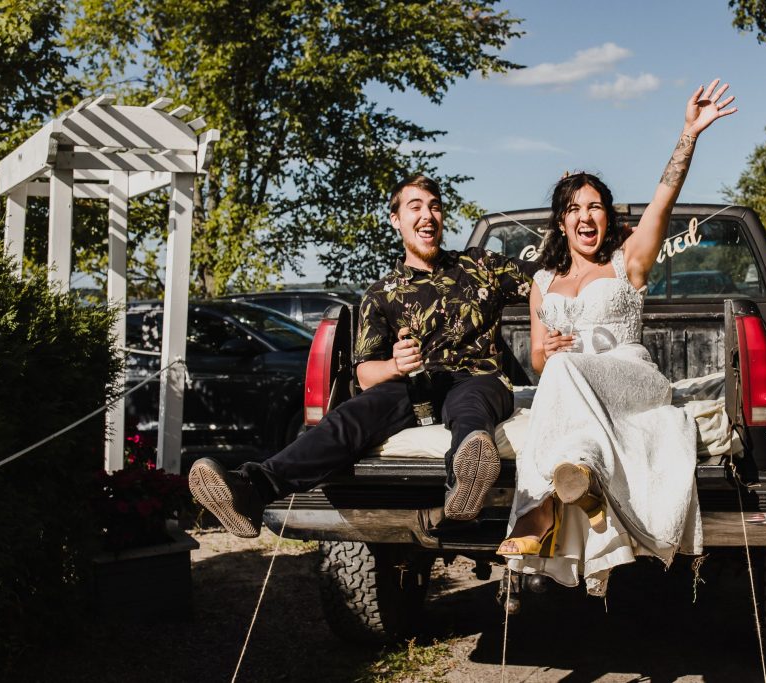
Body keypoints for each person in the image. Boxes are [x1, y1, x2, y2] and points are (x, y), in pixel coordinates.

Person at [189, 174, 535, 537]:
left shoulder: (480, 266)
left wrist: (570, 215)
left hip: (477, 377)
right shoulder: (381, 294)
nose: (427, 215)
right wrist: (394, 364)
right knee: (349, 417)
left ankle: (466, 479)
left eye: (434, 207)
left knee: (471, 409)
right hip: (415, 386)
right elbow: (365, 374)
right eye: (415, 207)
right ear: (396, 220)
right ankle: (251, 489)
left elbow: (547, 279)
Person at [496, 79, 737, 596]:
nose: (586, 216)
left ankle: (537, 516)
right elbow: (539, 359)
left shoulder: (627, 263)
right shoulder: (542, 283)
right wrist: (550, 352)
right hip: (572, 389)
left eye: (596, 207)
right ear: (561, 222)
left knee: (564, 372)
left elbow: (664, 198)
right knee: (561, 375)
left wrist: (688, 134)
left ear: (608, 216)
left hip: (630, 378)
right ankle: (582, 484)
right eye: (575, 209)